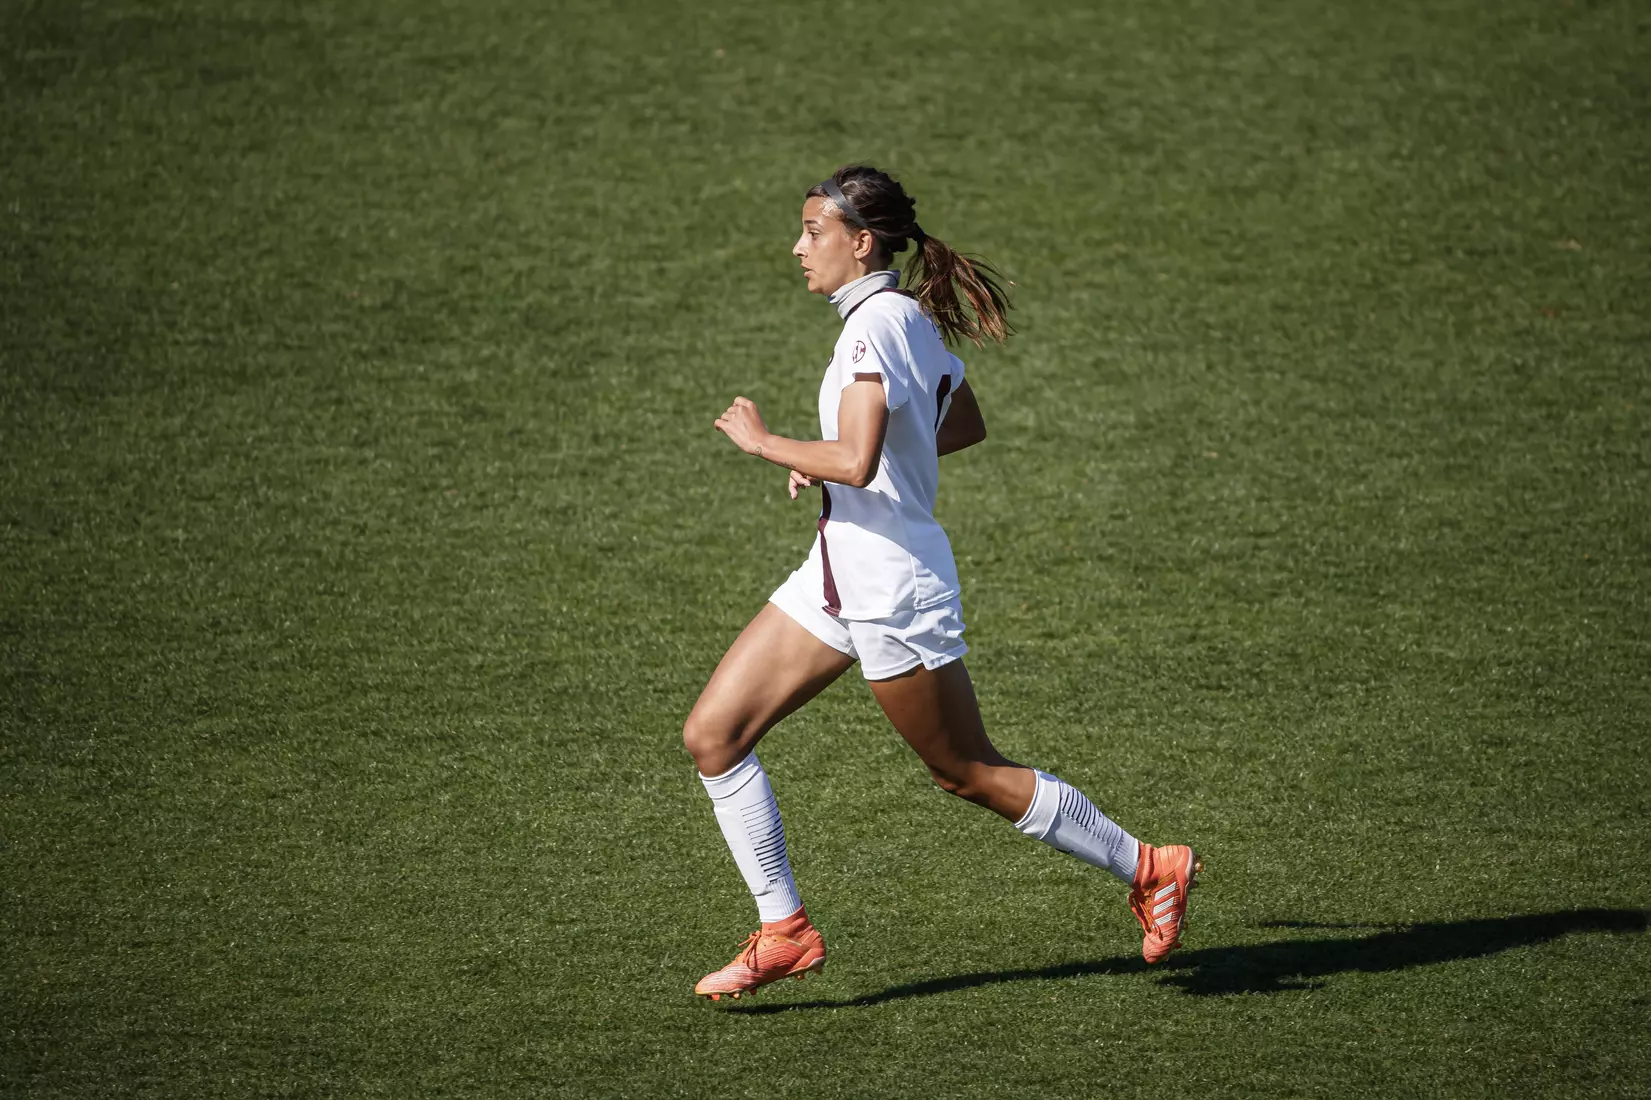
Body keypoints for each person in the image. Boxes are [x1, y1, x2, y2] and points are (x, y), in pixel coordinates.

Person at [684, 165, 1200, 1001]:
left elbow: (857, 455)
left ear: (860, 242)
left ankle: (1148, 866)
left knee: (963, 770)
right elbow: (956, 422)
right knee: (714, 736)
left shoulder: (869, 329)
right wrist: (854, 474)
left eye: (811, 231)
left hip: (891, 589)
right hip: (838, 573)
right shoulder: (906, 320)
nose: (796, 247)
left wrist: (769, 443)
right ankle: (785, 930)